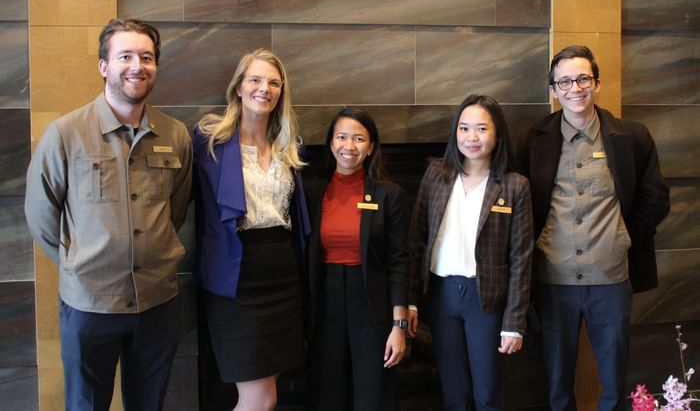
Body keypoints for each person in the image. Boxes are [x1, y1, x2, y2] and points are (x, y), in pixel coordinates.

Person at [24, 18, 193, 410]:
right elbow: (40, 213)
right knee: (86, 404)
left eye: (146, 57)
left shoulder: (175, 135)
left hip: (157, 302)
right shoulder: (66, 134)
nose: (137, 66)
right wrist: (77, 263)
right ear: (104, 66)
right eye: (126, 56)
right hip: (90, 305)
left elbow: (177, 207)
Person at [514, 45, 670, 410]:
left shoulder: (631, 137)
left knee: (615, 379)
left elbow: (656, 198)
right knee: (556, 382)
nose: (575, 88)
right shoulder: (531, 141)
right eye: (565, 81)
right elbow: (520, 206)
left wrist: (623, 238)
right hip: (553, 280)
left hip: (611, 279)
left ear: (596, 83)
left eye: (583, 78)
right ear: (553, 90)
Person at [193, 48, 310, 411]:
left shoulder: (288, 145)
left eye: (274, 82)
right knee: (257, 398)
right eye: (256, 80)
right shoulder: (209, 139)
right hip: (236, 279)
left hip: (284, 276)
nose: (265, 88)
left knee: (268, 394)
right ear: (239, 87)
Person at [408, 94, 534, 411]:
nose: (471, 137)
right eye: (464, 128)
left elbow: (522, 258)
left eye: (481, 129)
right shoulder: (437, 175)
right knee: (454, 392)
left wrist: (514, 323)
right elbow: (416, 240)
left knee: (487, 393)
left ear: (497, 134)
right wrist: (409, 300)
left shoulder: (514, 186)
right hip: (442, 294)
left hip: (486, 299)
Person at [305, 108, 409, 411]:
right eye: (341, 137)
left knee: (373, 393)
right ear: (330, 143)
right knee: (328, 392)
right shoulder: (312, 192)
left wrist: (398, 325)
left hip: (372, 303)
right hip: (325, 303)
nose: (349, 146)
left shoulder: (390, 195)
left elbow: (399, 261)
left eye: (359, 138)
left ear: (371, 147)